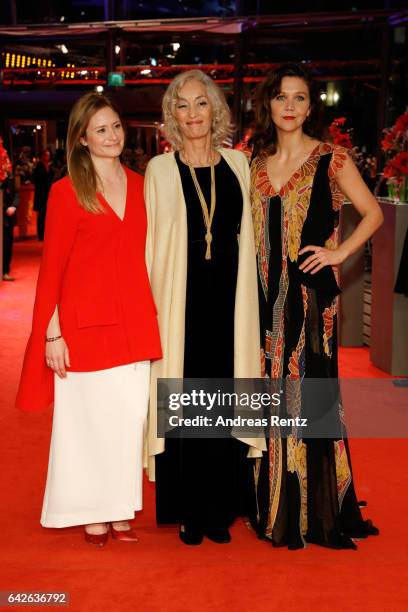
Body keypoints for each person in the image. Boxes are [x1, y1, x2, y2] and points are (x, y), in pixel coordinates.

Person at [16, 92, 161, 546]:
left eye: (116, 126)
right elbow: (53, 265)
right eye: (100, 129)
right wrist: (51, 332)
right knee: (86, 422)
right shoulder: (65, 192)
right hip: (81, 326)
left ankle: (119, 510)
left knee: (128, 420)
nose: (112, 135)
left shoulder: (142, 185)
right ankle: (89, 511)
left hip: (135, 321)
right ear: (81, 138)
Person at [248, 63, 383, 550]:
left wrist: (339, 253)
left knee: (306, 392)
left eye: (299, 98)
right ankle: (274, 499)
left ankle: (309, 509)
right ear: (268, 104)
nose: (289, 106)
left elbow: (372, 214)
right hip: (262, 299)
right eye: (281, 98)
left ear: (311, 106)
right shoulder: (254, 164)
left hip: (309, 299)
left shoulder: (333, 160)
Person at [144, 69, 265, 545]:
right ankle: (189, 508)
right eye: (182, 104)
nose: (193, 114)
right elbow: (150, 244)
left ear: (215, 110)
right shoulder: (159, 169)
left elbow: (258, 232)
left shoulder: (240, 163)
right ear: (171, 115)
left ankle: (220, 508)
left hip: (231, 303)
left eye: (201, 103)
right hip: (180, 303)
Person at [32, 149, 53, 241]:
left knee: (47, 216)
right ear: (42, 157)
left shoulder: (49, 167)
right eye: (46, 155)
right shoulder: (38, 167)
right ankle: (41, 235)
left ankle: (46, 233)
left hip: (47, 195)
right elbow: (37, 180)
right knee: (41, 216)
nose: (47, 157)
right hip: (41, 195)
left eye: (48, 155)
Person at [2, 174, 18, 281]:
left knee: (8, 244)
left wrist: (14, 206)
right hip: (2, 215)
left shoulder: (10, 179)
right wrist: (4, 208)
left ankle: (5, 271)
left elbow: (16, 194)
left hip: (9, 218)